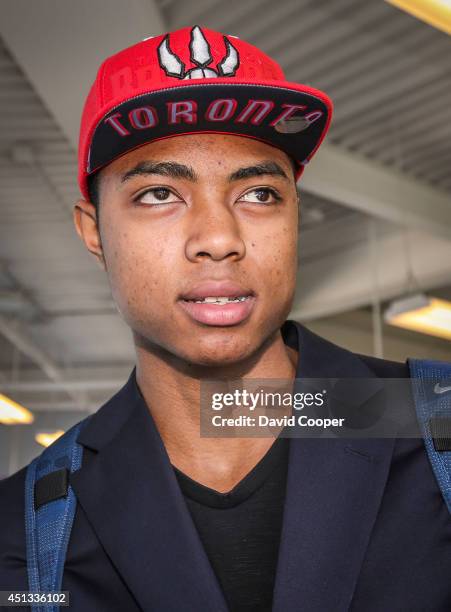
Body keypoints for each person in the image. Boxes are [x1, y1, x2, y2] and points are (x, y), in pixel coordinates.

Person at [1, 25, 450, 612]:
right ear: (94, 232)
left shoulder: (433, 433)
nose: (219, 238)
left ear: (293, 216)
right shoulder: (25, 533)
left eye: (259, 193)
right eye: (159, 193)